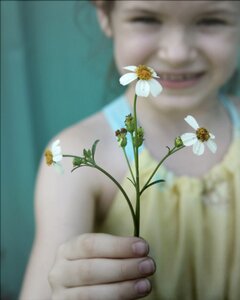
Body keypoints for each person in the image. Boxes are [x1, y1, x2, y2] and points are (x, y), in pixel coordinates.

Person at [20, 1, 240, 299]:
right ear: (104, 15)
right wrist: (64, 289)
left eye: (211, 20)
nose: (176, 54)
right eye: (146, 19)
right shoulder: (74, 156)